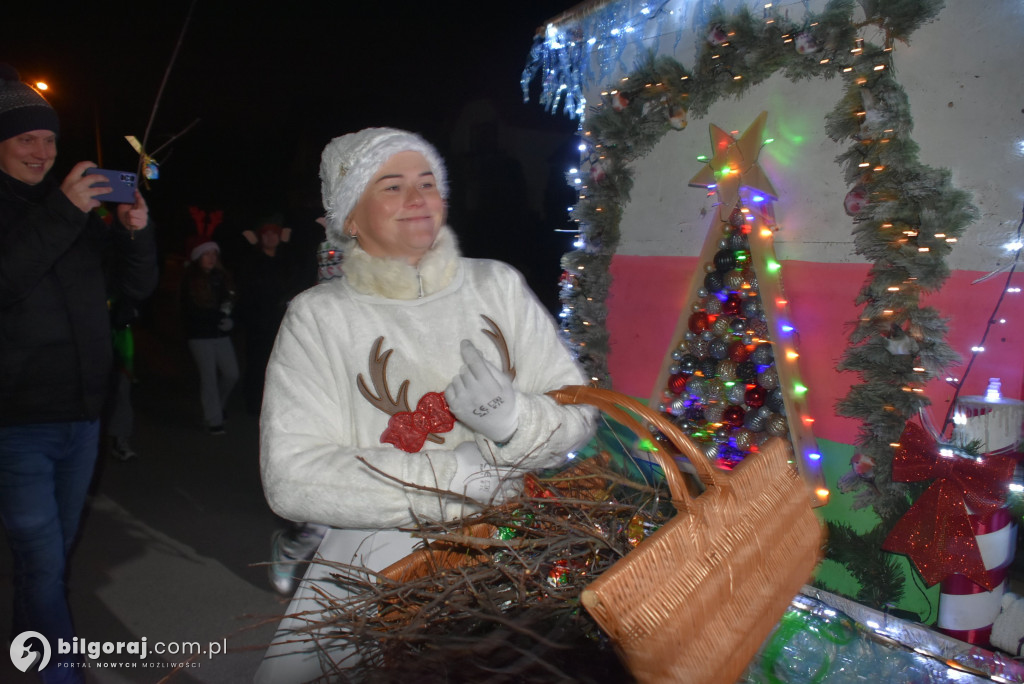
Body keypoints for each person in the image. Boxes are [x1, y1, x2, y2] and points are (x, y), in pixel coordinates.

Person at [255, 127, 596, 682]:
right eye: (391, 187)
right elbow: (292, 477)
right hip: (379, 560)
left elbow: (577, 412)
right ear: (350, 219)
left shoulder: (498, 286)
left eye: (427, 182)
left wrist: (516, 421)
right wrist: (456, 474)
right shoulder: (319, 317)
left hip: (516, 550)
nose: (417, 199)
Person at [0, 65, 157, 682]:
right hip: (16, 424)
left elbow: (135, 288)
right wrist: (67, 211)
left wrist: (136, 234)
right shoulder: (50, 213)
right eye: (25, 140)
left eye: (49, 140)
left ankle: (29, 647)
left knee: (50, 560)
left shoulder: (76, 213)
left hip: (83, 418)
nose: (42, 152)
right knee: (41, 563)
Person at [238, 218, 297, 415]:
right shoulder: (252, 262)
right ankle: (254, 405)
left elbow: (294, 284)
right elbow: (247, 293)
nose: (271, 237)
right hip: (258, 325)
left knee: (281, 366)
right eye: (266, 234)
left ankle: (277, 405)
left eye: (274, 233)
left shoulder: (286, 261)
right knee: (257, 366)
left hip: (281, 323)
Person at [180, 240, 238, 435]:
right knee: (209, 378)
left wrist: (230, 320)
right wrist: (218, 318)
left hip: (219, 334)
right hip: (199, 335)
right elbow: (190, 311)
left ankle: (217, 407)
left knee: (231, 373)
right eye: (207, 254)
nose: (212, 258)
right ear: (198, 257)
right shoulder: (190, 281)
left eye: (214, 254)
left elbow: (230, 302)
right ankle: (213, 419)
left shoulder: (222, 278)